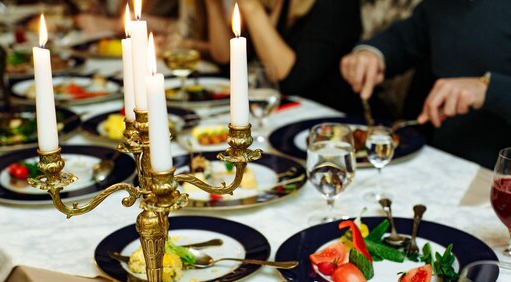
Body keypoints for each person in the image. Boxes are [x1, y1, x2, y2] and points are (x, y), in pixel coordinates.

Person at [340, 0, 511, 169]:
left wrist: (489, 88)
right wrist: (372, 54)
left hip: (499, 172)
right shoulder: (442, 5)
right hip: (445, 159)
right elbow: (410, 36)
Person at [205, 0, 363, 114]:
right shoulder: (279, 4)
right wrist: (212, 4)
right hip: (286, 117)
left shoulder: (335, 5)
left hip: (334, 124)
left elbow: (291, 81)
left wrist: (249, 5)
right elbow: (226, 58)